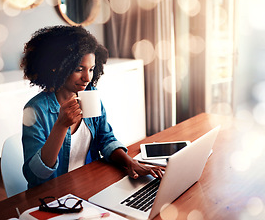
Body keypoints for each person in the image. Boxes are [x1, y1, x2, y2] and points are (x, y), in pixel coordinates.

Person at [20, 25, 163, 188]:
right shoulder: (35, 110)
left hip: (89, 184)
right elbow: (35, 176)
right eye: (79, 69)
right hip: (54, 194)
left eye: (92, 69)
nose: (87, 78)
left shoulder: (90, 94)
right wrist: (61, 126)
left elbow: (106, 138)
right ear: (57, 67)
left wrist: (130, 163)